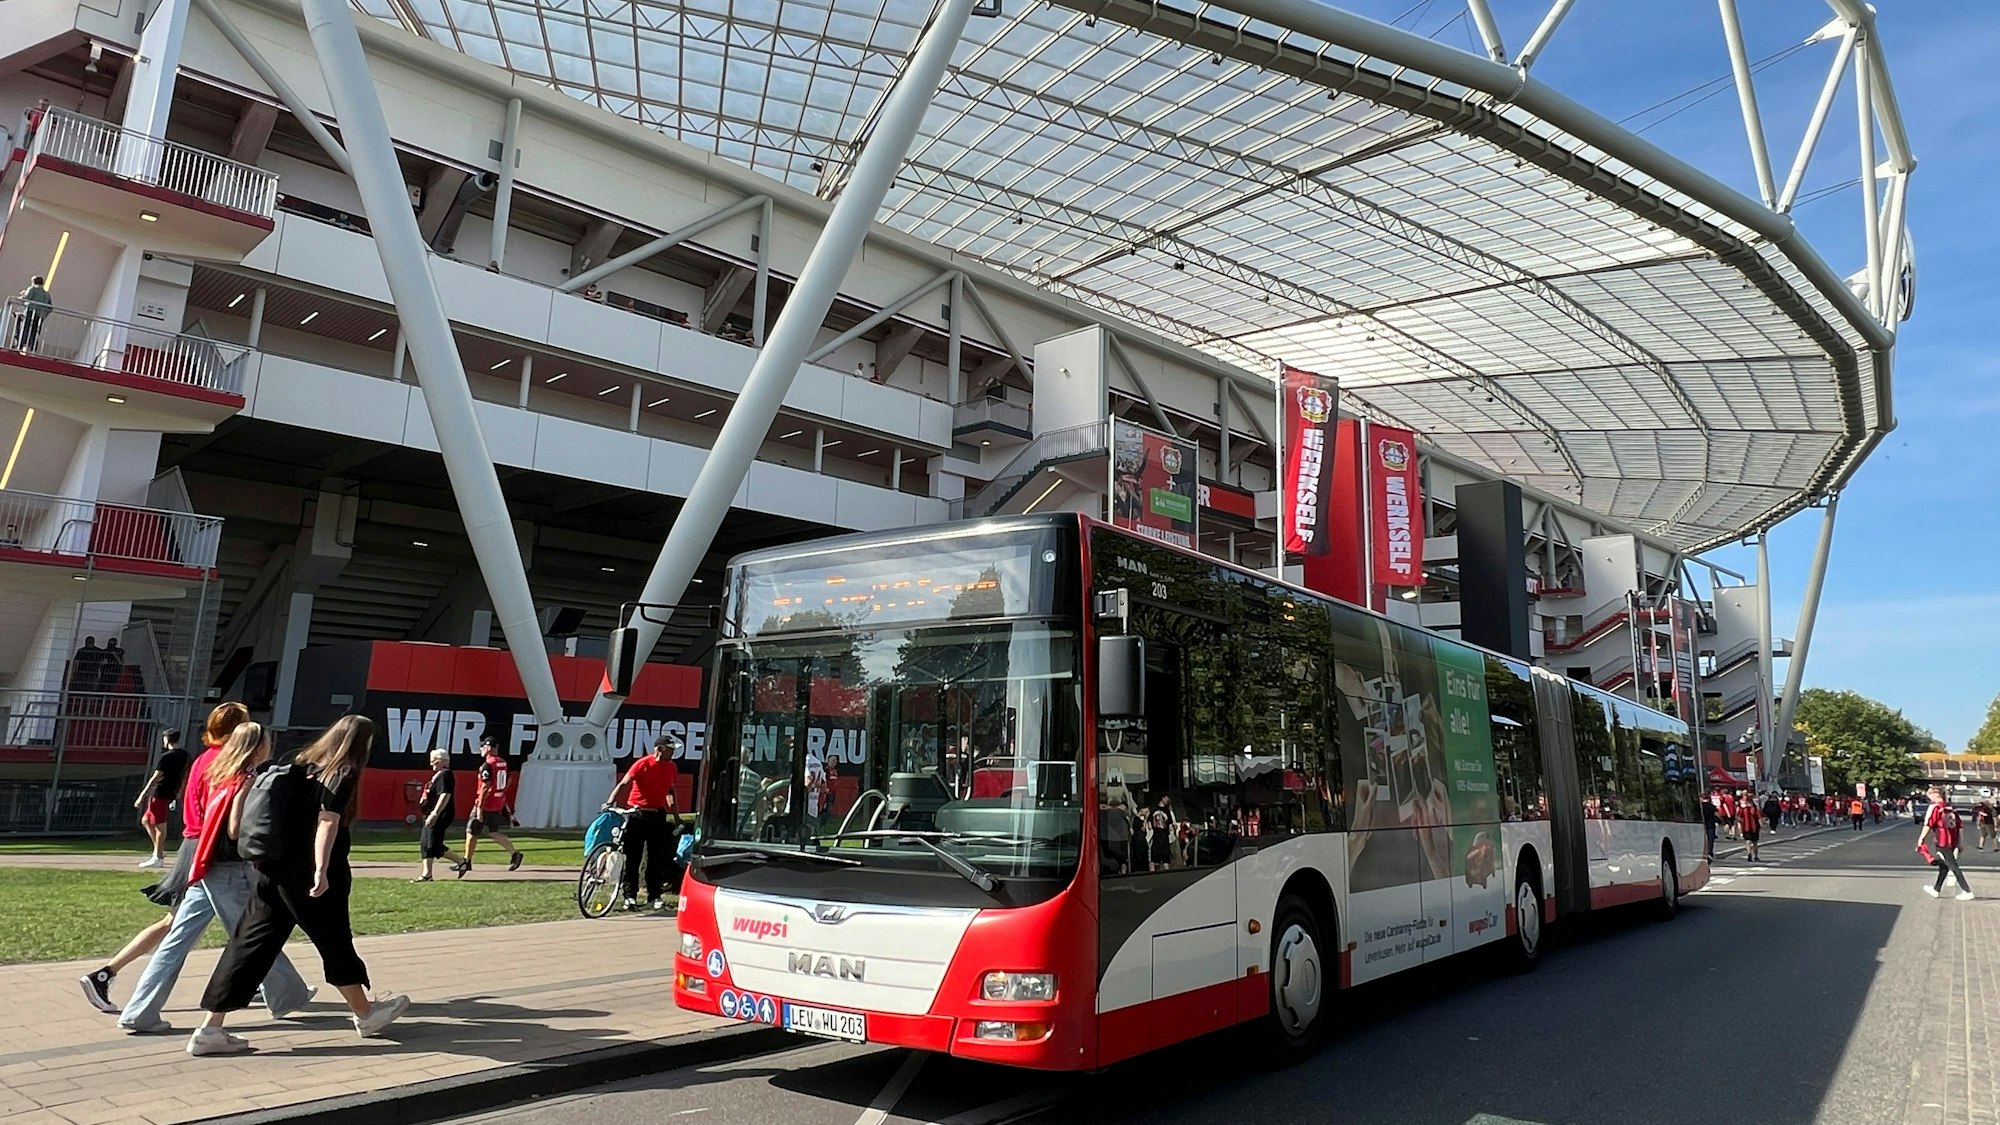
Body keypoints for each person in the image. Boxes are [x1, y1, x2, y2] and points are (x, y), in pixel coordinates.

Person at [189, 715, 410, 1056]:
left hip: (273, 869)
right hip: (307, 872)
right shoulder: (341, 771)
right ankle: (366, 1014)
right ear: (361, 744)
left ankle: (210, 1029)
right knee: (333, 938)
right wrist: (321, 870)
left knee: (249, 944)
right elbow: (327, 822)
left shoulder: (302, 765)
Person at [117, 723, 314, 1035]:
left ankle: (140, 1011)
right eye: (267, 741)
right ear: (257, 747)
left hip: (204, 862)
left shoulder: (218, 772)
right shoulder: (247, 777)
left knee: (179, 940)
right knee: (254, 935)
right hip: (230, 868)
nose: (270, 746)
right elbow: (235, 828)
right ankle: (287, 995)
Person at [78, 702, 248, 1015]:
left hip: (194, 845)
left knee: (182, 923)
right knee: (234, 924)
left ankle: (105, 975)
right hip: (207, 850)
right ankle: (106, 975)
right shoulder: (224, 762)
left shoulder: (204, 759)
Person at [604, 733, 680, 911]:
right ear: (659, 749)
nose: (672, 753)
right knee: (633, 858)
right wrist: (610, 802)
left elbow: (670, 792)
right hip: (637, 815)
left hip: (657, 815)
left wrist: (676, 816)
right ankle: (630, 896)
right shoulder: (643, 764)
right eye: (669, 750)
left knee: (656, 858)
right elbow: (624, 783)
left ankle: (654, 896)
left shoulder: (671, 767)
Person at [454, 735, 523, 876]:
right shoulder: (502, 763)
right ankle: (514, 853)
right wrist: (500, 793)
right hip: (497, 802)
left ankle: (467, 861)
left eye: (483, 747)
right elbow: (508, 779)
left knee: (471, 830)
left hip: (486, 803)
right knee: (493, 831)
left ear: (488, 747)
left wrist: (480, 806)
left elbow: (485, 786)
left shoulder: (487, 765)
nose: (481, 749)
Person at [134, 729, 190, 869]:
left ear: (167, 739)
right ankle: (158, 849)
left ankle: (157, 857)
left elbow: (156, 777)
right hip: (171, 791)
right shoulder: (185, 755)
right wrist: (180, 790)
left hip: (159, 792)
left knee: (160, 824)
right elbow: (185, 775)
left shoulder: (166, 757)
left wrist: (142, 794)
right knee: (146, 820)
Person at [1917, 786, 1975, 901]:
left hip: (1942, 841)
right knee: (1945, 866)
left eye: (1929, 795)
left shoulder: (1935, 808)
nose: (1929, 798)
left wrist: (1921, 838)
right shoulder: (1950, 808)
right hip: (1952, 840)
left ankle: (1967, 890)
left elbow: (1928, 824)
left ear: (1935, 795)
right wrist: (1960, 842)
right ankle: (1936, 889)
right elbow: (1960, 826)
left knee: (1952, 865)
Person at [414, 748, 461, 881]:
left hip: (441, 814)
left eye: (434, 761)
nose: (431, 764)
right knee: (425, 843)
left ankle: (461, 862)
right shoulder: (438, 775)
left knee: (433, 844)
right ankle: (427, 874)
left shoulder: (445, 775)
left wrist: (435, 813)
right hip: (430, 813)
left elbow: (445, 795)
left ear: (442, 761)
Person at [16, 274, 51, 350]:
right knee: (35, 331)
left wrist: (20, 297)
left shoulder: (33, 289)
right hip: (40, 315)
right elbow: (50, 307)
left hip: (31, 312)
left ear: (33, 282)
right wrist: (44, 315)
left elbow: (26, 298)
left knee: (25, 328)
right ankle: (32, 347)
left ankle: (21, 344)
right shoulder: (46, 294)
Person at [1737, 792, 1763, 862]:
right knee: (1755, 842)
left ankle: (1749, 852)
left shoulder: (1743, 808)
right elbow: (1759, 817)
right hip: (1755, 827)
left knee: (1747, 841)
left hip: (1745, 827)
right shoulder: (1754, 808)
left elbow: (1739, 818)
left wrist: (1739, 827)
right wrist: (1761, 826)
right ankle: (1756, 856)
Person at [1701, 796, 1717, 862]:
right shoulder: (1712, 807)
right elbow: (1717, 814)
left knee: (1702, 839)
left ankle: (1703, 852)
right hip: (1711, 825)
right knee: (1710, 840)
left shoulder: (1700, 807)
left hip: (1702, 825)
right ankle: (1709, 853)